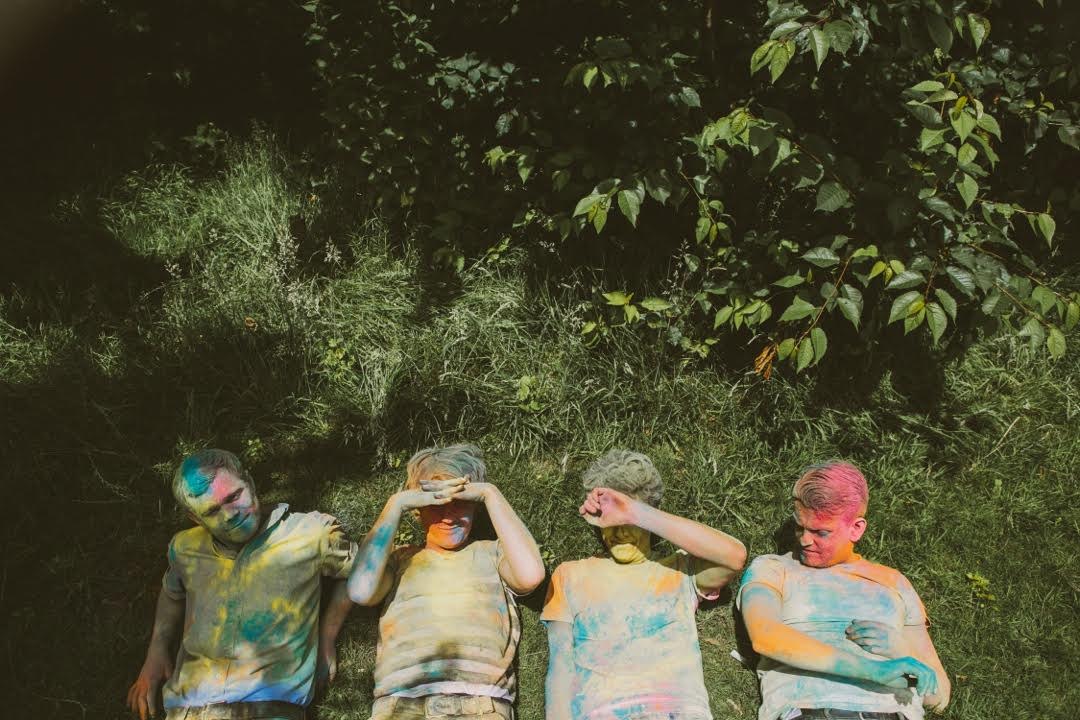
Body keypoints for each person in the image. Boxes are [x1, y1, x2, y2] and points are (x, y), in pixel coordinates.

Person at [126, 449, 357, 720]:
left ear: (250, 481)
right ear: (196, 519)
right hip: (185, 711)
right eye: (212, 511)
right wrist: (156, 651)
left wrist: (326, 636)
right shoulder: (185, 548)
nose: (230, 515)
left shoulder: (309, 533)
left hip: (267, 709)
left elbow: (358, 572)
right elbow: (172, 593)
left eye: (234, 497)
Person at [542, 449, 747, 720]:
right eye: (610, 520)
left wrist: (634, 512)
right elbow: (560, 668)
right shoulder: (571, 575)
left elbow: (734, 557)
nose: (620, 532)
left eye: (627, 521)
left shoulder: (678, 570)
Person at [737, 461, 950, 720]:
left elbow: (939, 699)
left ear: (856, 529)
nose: (804, 540)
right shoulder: (773, 568)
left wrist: (902, 649)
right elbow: (765, 637)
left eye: (821, 532)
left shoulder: (894, 582)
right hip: (811, 710)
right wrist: (874, 671)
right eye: (799, 527)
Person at [348, 443, 545, 720]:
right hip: (400, 705)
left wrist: (490, 493)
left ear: (475, 505)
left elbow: (531, 576)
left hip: (480, 706)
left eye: (460, 503)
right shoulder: (400, 559)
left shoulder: (493, 553)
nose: (448, 516)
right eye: (435, 504)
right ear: (417, 509)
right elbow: (360, 590)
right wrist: (397, 503)